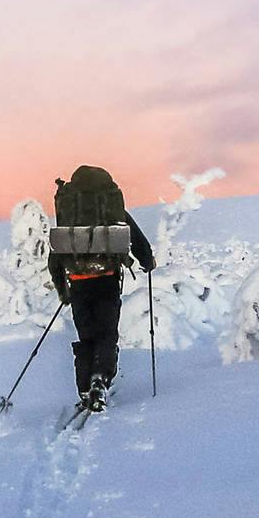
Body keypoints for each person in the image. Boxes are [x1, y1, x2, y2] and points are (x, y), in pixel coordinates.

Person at [46, 165, 156, 410]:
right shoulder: (110, 209)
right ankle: (100, 379)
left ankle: (85, 388)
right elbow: (135, 237)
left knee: (87, 335)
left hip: (78, 281)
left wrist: (62, 290)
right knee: (107, 333)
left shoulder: (69, 212)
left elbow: (56, 253)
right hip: (107, 278)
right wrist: (147, 261)